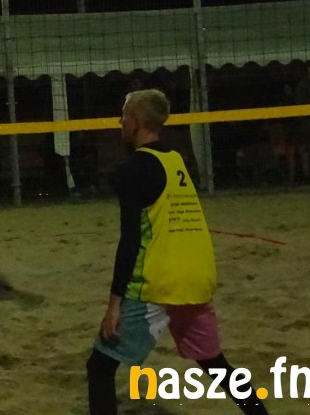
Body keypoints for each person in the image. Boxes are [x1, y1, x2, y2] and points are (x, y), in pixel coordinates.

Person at [85, 89, 269, 415]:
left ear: (136, 121)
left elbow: (130, 241)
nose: (120, 121)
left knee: (100, 366)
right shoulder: (176, 159)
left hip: (158, 281)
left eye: (124, 116)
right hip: (197, 276)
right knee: (215, 363)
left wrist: (114, 305)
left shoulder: (132, 169)